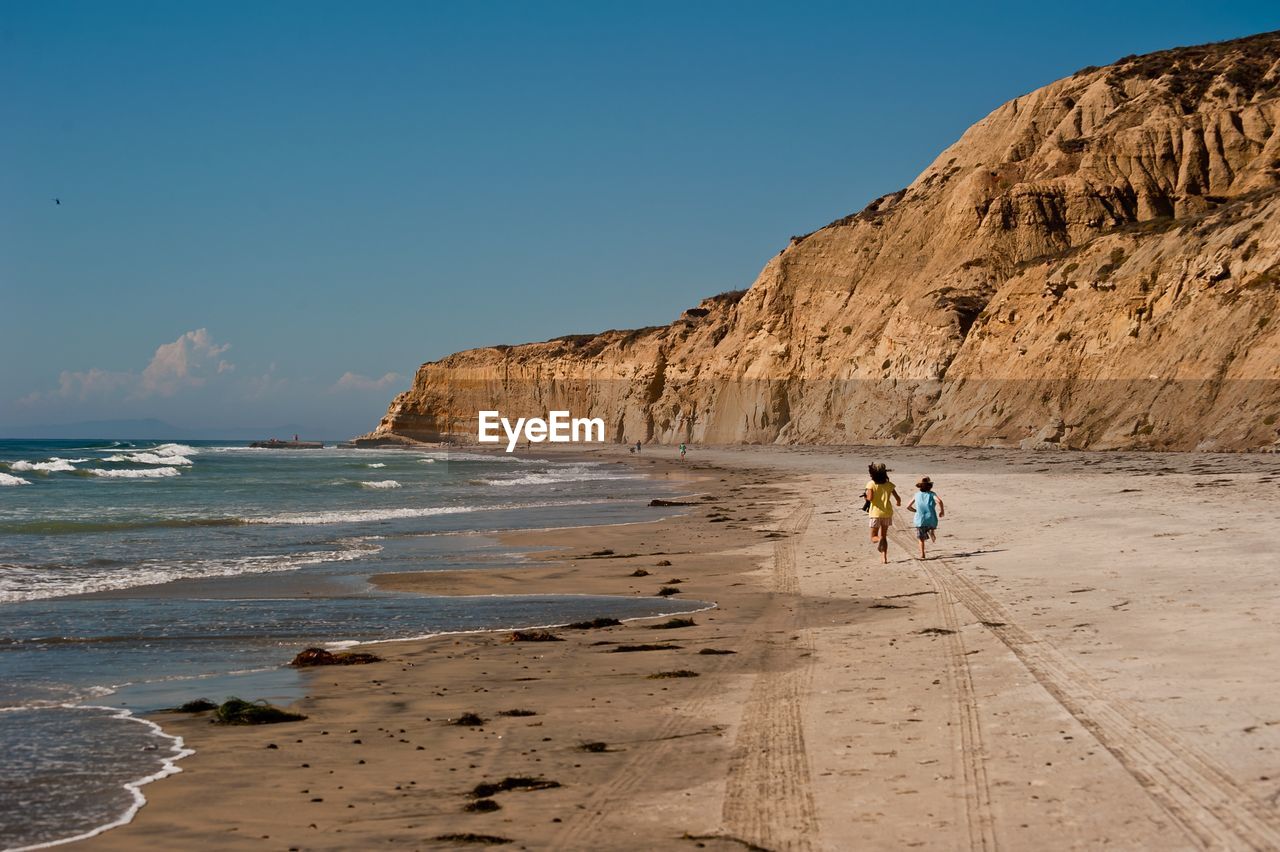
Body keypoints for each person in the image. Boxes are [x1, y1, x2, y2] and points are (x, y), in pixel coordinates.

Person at [865, 463, 900, 563]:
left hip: (875, 513)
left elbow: (870, 498)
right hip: (887, 513)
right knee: (884, 536)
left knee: (874, 537)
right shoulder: (889, 485)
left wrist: (865, 497)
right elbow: (898, 498)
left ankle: (879, 540)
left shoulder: (871, 484)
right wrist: (898, 502)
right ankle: (884, 557)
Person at [906, 476, 945, 559]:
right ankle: (932, 531)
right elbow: (939, 501)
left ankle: (922, 554)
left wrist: (915, 511)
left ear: (919, 486)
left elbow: (908, 506)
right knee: (931, 525)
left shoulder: (916, 495)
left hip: (920, 520)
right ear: (929, 486)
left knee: (921, 538)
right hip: (931, 518)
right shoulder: (932, 494)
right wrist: (942, 511)